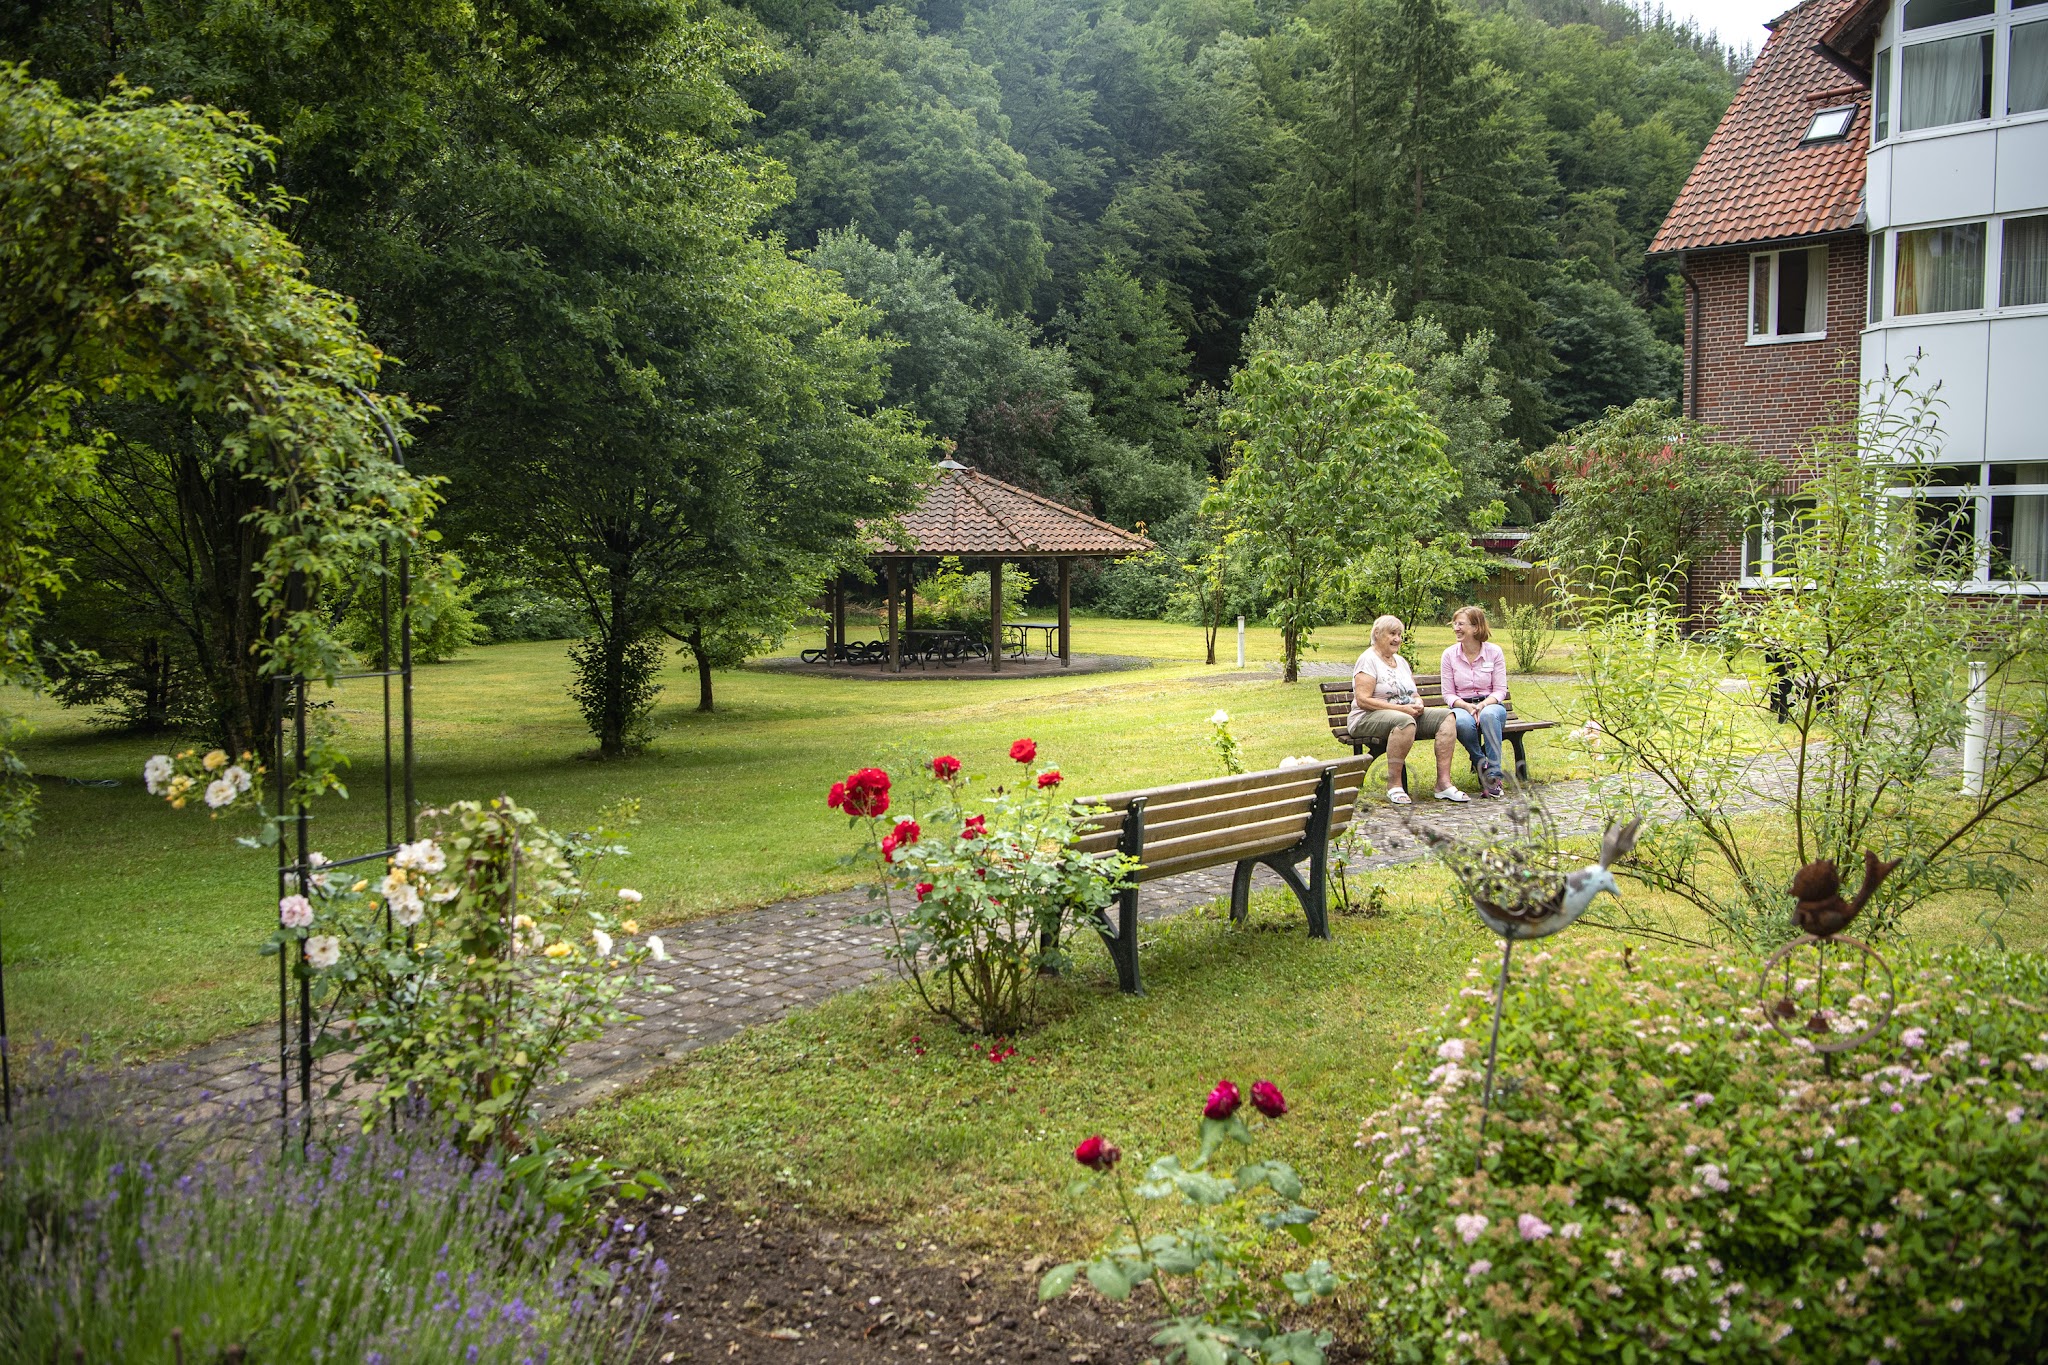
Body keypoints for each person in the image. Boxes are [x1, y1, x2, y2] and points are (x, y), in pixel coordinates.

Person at [1348, 615, 1466, 806]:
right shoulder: (1367, 660)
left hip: (1405, 714)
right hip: (1366, 718)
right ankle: (1394, 785)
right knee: (1404, 721)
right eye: (1392, 634)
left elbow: (1413, 692)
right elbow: (1363, 700)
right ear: (1377, 634)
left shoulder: (1401, 661)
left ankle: (1443, 784)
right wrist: (1402, 709)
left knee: (1447, 716)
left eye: (1399, 634)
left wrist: (1418, 702)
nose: (1397, 639)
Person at [1441, 605, 1509, 799]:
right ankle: (1482, 764)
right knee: (1461, 721)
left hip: (1491, 705)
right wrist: (1466, 706)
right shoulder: (1449, 655)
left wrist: (1483, 705)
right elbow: (1448, 694)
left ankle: (1494, 778)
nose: (1456, 628)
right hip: (1462, 706)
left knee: (1488, 715)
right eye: (1454, 624)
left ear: (1476, 627)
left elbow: (1500, 690)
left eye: (1461, 624)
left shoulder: (1494, 652)